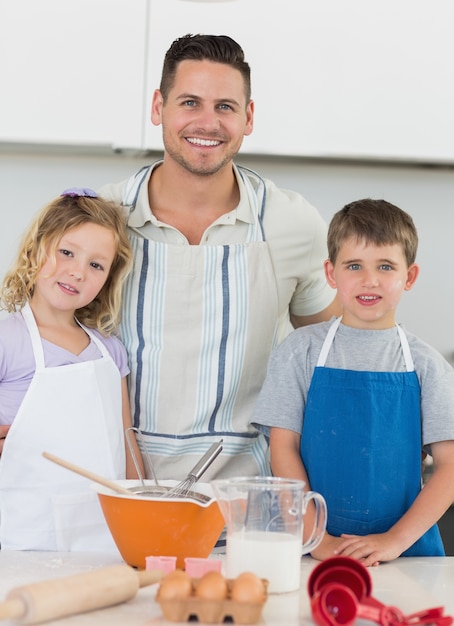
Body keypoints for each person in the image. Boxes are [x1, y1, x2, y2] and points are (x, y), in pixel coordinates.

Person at [98, 33, 339, 480]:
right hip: (118, 490)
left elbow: (334, 353)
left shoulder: (292, 222)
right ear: (158, 107)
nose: (207, 123)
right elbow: (51, 341)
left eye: (225, 106)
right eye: (190, 102)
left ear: (248, 117)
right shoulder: (101, 220)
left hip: (250, 503)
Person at [252, 198, 454, 565]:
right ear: (331, 274)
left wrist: (393, 541)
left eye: (386, 266)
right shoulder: (300, 352)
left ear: (409, 277)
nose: (369, 280)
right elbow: (282, 449)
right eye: (354, 265)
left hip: (407, 555)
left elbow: (451, 466)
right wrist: (317, 538)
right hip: (312, 550)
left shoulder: (428, 366)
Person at [0, 188, 144, 552]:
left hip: (105, 534)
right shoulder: (7, 337)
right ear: (36, 248)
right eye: (67, 252)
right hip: (25, 534)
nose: (78, 272)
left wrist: (145, 507)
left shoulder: (110, 351)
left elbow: (127, 446)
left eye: (96, 265)